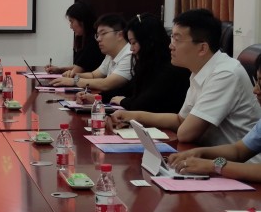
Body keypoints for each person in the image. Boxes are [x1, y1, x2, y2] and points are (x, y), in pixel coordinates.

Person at [111, 8, 261, 146]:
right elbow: (180, 120)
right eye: (172, 38)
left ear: (202, 48)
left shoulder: (225, 74)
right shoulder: (199, 70)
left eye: (177, 39)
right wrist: (130, 116)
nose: (170, 46)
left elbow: (185, 133)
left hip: (235, 163)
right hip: (209, 155)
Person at [109, 13, 189, 112]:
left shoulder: (171, 68)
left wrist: (123, 101)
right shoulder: (148, 64)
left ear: (149, 41)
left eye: (134, 43)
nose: (131, 49)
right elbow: (127, 89)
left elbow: (142, 105)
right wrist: (98, 96)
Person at [51, 13, 132, 99]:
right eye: (98, 35)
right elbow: (94, 75)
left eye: (103, 33)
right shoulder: (110, 54)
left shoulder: (129, 55)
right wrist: (74, 75)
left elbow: (106, 84)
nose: (98, 39)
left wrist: (74, 81)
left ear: (120, 35)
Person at [45, 0, 103, 77]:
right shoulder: (87, 39)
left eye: (72, 22)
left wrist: (62, 72)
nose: (70, 26)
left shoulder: (93, 42)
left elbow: (75, 73)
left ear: (82, 21)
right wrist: (59, 69)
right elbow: (79, 66)